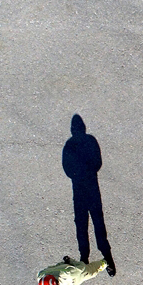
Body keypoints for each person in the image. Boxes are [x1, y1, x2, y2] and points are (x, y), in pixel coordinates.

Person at [62, 115, 116, 275]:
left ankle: (107, 257)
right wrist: (82, 173)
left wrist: (82, 173)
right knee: (82, 223)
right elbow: (67, 166)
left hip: (88, 186)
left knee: (97, 222)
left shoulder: (81, 142)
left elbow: (96, 161)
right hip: (83, 187)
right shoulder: (72, 144)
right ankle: (84, 257)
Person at [37, 256, 107, 285]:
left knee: (92, 271)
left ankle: (105, 262)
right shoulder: (41, 275)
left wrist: (72, 262)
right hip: (67, 269)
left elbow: (81, 267)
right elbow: (53, 267)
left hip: (79, 275)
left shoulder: (69, 275)